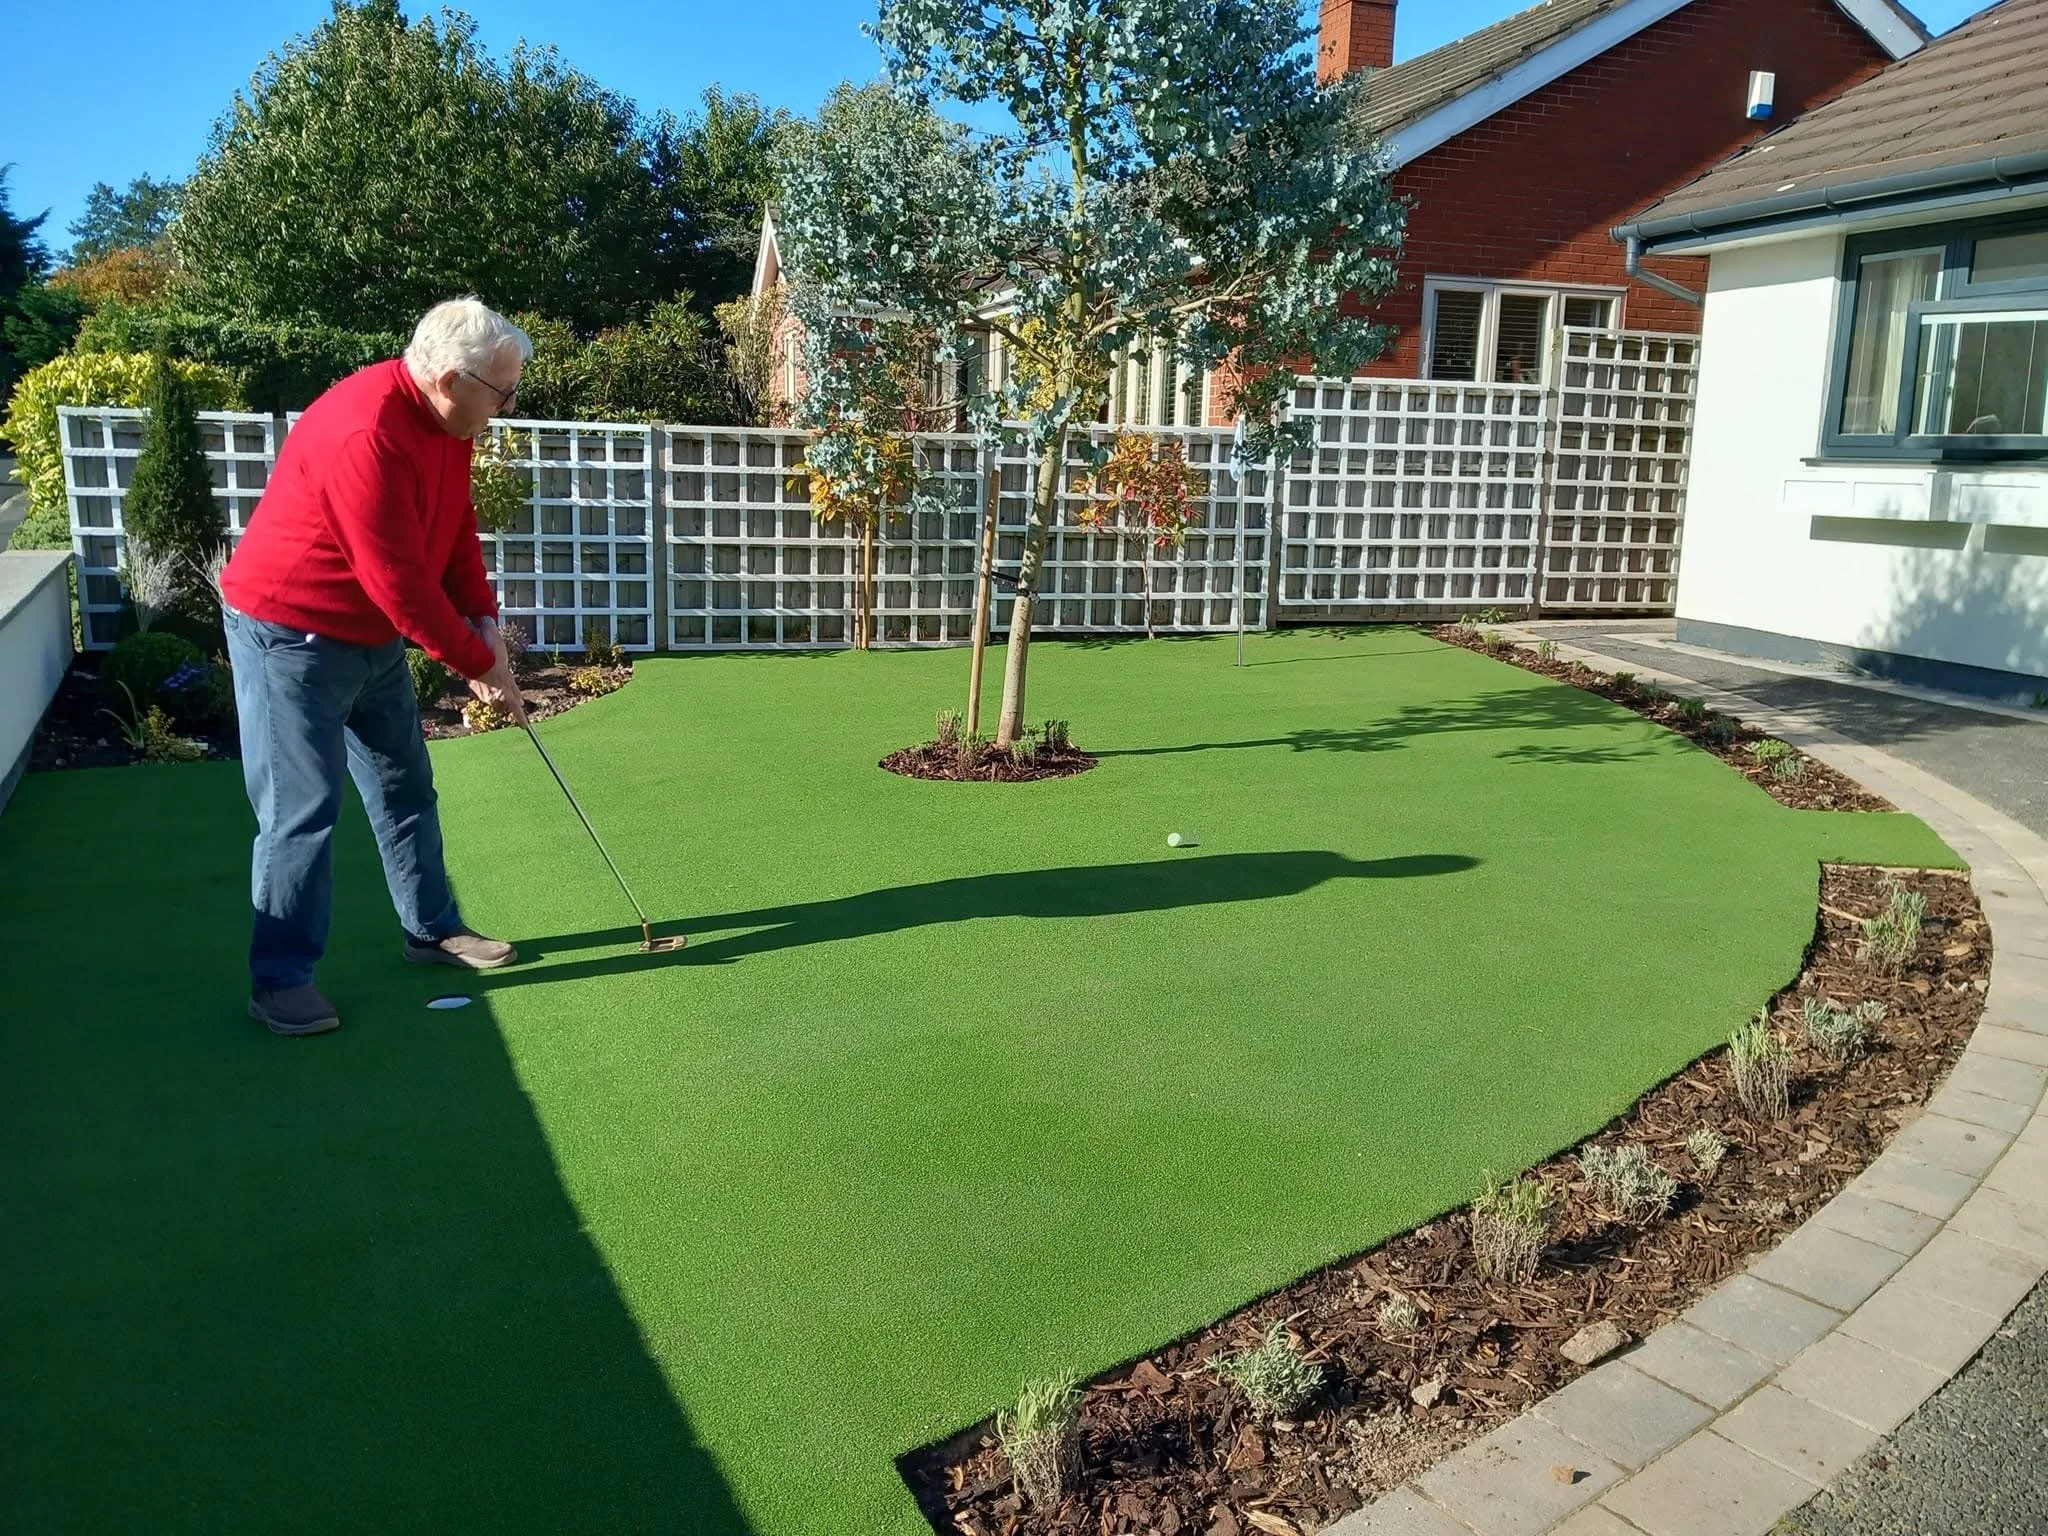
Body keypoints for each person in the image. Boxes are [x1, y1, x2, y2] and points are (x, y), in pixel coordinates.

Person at [219, 297, 532, 1036]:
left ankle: (431, 929)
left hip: (370, 638)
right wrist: (476, 663)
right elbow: (399, 585)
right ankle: (281, 978)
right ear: (452, 378)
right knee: (302, 812)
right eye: (503, 391)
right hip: (289, 634)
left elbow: (454, 529)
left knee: (405, 785)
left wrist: (485, 622)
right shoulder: (365, 432)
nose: (510, 405)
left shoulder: (452, 422)